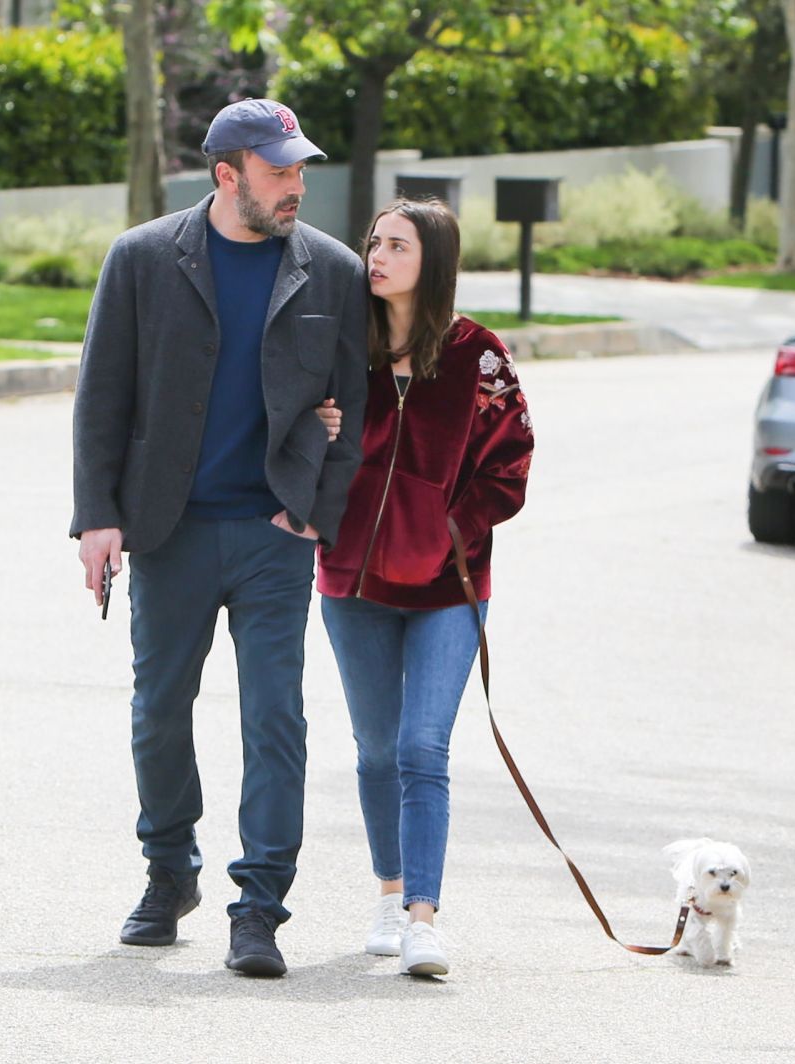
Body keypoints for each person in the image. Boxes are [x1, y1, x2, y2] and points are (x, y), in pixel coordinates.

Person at [70, 99, 368, 978]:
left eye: (301, 170)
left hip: (275, 534)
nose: (297, 187)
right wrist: (96, 516)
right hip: (169, 530)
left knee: (275, 717)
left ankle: (260, 907)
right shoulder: (141, 259)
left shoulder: (334, 271)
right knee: (158, 710)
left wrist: (315, 510)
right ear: (226, 174)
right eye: (279, 172)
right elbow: (101, 396)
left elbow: (356, 414)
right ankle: (169, 874)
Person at [316, 198, 534, 977]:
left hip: (448, 585)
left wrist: (451, 526)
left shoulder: (478, 356)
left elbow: (512, 465)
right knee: (376, 751)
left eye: (396, 246)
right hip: (352, 579)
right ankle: (387, 891)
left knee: (422, 747)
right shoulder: (348, 344)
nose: (375, 256)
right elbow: (301, 432)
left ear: (431, 260)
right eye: (374, 242)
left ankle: (423, 920)